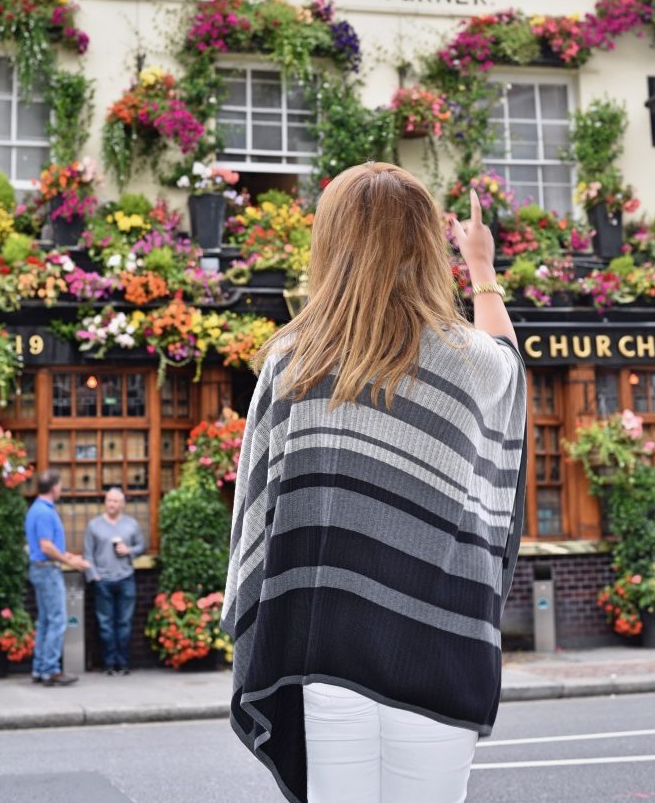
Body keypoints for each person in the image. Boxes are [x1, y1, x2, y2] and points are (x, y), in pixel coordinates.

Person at [221, 164, 527, 803]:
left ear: (331, 244)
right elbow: (511, 366)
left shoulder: (294, 362)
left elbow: (262, 507)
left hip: (326, 646)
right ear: (424, 245)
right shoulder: (470, 360)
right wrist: (482, 269)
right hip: (442, 645)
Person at [25, 469, 90, 686]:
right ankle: (51, 670)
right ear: (53, 487)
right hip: (47, 570)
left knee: (45, 621)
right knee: (57, 621)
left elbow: (46, 546)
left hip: (41, 568)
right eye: (60, 485)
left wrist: (67, 555)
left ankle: (40, 668)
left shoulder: (36, 509)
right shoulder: (44, 511)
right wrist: (69, 562)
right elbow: (46, 546)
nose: (61, 489)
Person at [83, 487, 145, 674]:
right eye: (109, 500)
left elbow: (142, 545)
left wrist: (129, 551)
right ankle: (109, 663)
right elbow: (88, 553)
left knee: (124, 623)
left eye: (116, 501)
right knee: (105, 624)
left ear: (122, 504)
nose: (111, 504)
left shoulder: (131, 524)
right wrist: (94, 576)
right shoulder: (94, 525)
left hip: (126, 577)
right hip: (103, 580)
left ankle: (123, 662)